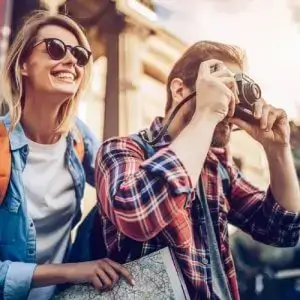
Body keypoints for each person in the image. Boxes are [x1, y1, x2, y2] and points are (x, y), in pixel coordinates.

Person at [95, 41, 300, 300]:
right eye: (224, 88)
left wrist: (277, 150)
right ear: (180, 90)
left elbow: (282, 229)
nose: (230, 104)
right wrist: (207, 112)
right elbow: (137, 215)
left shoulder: (218, 168)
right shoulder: (122, 149)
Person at [0, 10, 133, 300]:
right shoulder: (1, 147)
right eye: (55, 49)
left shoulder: (78, 138)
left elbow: (130, 194)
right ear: (23, 63)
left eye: (81, 55)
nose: (72, 61)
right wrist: (74, 270)